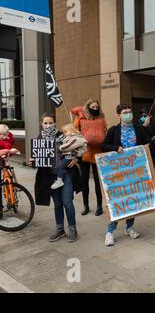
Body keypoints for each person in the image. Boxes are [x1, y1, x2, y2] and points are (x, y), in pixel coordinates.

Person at [101, 104, 152, 246]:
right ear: (119, 115)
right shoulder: (113, 130)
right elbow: (103, 145)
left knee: (132, 200)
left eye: (130, 112)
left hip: (135, 171)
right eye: (125, 112)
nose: (128, 114)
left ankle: (129, 227)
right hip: (118, 172)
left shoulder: (139, 129)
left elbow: (147, 144)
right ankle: (110, 232)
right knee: (118, 200)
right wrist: (115, 148)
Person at [31, 113, 82, 243]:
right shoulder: (39, 139)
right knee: (57, 204)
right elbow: (38, 158)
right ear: (41, 125)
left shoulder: (63, 135)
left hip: (66, 175)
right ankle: (60, 229)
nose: (48, 125)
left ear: (55, 123)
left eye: (50, 123)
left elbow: (78, 147)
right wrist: (33, 161)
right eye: (45, 123)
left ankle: (72, 229)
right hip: (50, 177)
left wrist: (76, 159)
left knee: (68, 203)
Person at [71, 99, 107, 216]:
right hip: (84, 153)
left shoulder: (101, 120)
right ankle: (85, 205)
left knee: (97, 181)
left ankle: (99, 206)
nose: (95, 109)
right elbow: (74, 133)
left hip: (98, 153)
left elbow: (105, 132)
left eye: (97, 107)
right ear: (88, 107)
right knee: (84, 180)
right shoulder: (80, 120)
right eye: (93, 107)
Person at [51, 124, 87, 190]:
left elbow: (68, 146)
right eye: (64, 132)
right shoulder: (71, 138)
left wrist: (60, 147)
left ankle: (59, 181)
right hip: (69, 156)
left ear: (72, 131)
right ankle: (60, 179)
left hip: (70, 156)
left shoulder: (75, 138)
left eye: (66, 132)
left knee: (60, 166)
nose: (64, 134)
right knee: (61, 166)